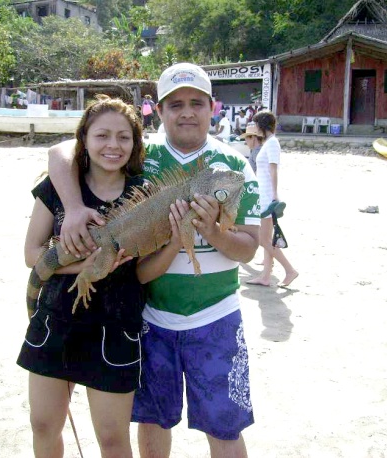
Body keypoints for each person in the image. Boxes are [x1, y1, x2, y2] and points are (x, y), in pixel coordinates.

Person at [48, 62, 261, 458]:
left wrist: (211, 231)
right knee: (152, 421)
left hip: (216, 316)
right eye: (175, 104)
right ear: (158, 111)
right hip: (149, 319)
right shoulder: (139, 158)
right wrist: (74, 207)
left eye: (197, 103)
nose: (187, 112)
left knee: (225, 427)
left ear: (212, 108)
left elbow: (250, 247)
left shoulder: (236, 165)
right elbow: (63, 152)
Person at [17, 96, 147, 458]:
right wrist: (90, 263)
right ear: (84, 140)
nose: (113, 145)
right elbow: (31, 255)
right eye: (102, 135)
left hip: (115, 324)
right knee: (43, 424)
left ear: (135, 144)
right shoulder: (57, 188)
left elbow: (141, 266)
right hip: (56, 319)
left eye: (124, 137)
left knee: (112, 438)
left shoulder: (143, 190)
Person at [246, 111, 298, 288]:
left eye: (256, 124)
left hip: (267, 195)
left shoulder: (272, 143)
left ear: (262, 126)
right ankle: (266, 276)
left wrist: (275, 195)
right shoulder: (268, 143)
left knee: (263, 239)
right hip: (264, 194)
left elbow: (273, 170)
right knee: (267, 238)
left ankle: (289, 269)